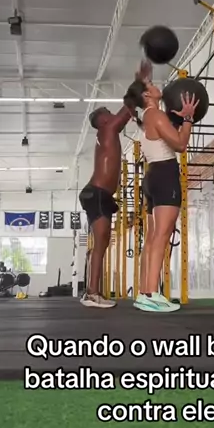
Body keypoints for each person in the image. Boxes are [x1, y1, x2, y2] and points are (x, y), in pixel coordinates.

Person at [79, 63, 151, 309]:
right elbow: (128, 108)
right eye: (107, 112)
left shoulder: (106, 135)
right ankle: (92, 294)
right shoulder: (108, 129)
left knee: (101, 244)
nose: (111, 114)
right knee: (101, 243)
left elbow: (128, 109)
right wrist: (140, 81)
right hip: (98, 194)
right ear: (102, 120)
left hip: (99, 194)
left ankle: (92, 292)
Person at [123, 77, 198, 312]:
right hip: (165, 174)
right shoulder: (155, 115)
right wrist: (188, 119)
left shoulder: (148, 117)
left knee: (153, 238)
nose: (156, 86)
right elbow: (180, 145)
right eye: (151, 85)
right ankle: (151, 294)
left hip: (153, 176)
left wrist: (179, 120)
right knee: (161, 236)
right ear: (147, 95)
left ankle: (145, 293)